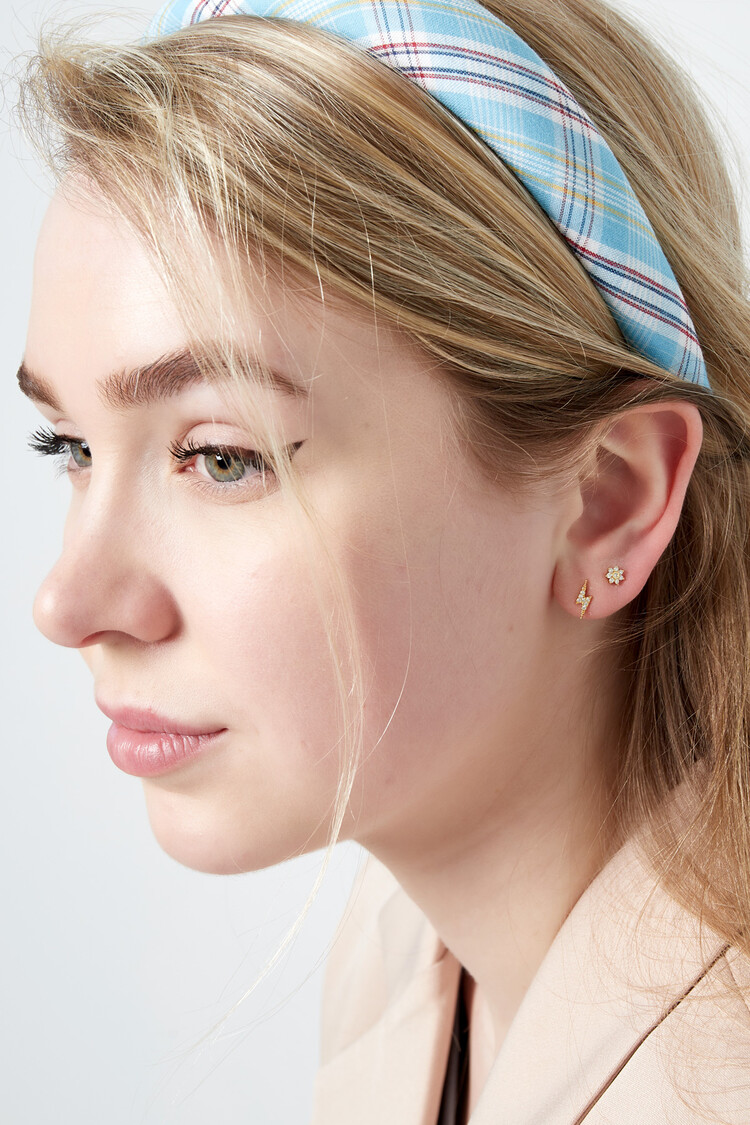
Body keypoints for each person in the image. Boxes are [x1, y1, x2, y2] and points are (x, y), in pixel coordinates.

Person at [16, 0, 750, 1121]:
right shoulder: (402, 946)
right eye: (68, 445)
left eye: (221, 459)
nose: (68, 602)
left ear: (608, 502)